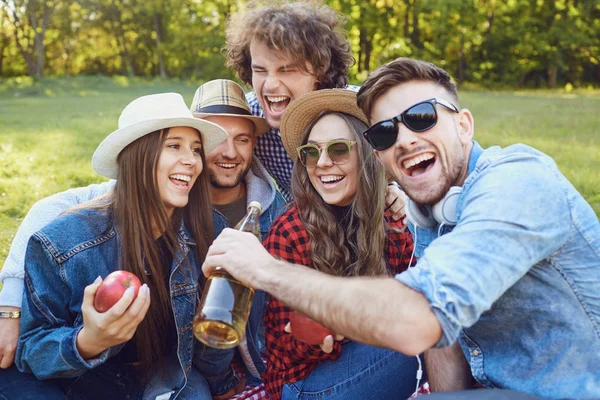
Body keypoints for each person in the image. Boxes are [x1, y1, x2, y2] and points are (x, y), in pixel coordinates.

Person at [201, 58, 600, 399]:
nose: (405, 140)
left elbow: (419, 323)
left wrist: (266, 271)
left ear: (463, 125)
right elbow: (439, 342)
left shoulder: (516, 185)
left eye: (422, 118)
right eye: (386, 132)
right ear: (379, 152)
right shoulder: (428, 215)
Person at [0, 80, 287, 393]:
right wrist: (89, 340)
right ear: (139, 156)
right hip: (75, 381)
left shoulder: (213, 229)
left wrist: (220, 383)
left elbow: (209, 335)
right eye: (174, 146)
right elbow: (31, 350)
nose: (191, 160)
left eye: (195, 149)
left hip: (160, 374)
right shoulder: (66, 243)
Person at [261, 89, 422, 400]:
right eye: (311, 151)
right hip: (304, 384)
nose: (322, 163)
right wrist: (327, 329)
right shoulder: (290, 231)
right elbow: (286, 349)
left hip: (366, 357)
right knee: (423, 334)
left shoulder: (385, 215)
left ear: (368, 155)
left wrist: (404, 224)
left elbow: (412, 282)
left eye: (337, 149)